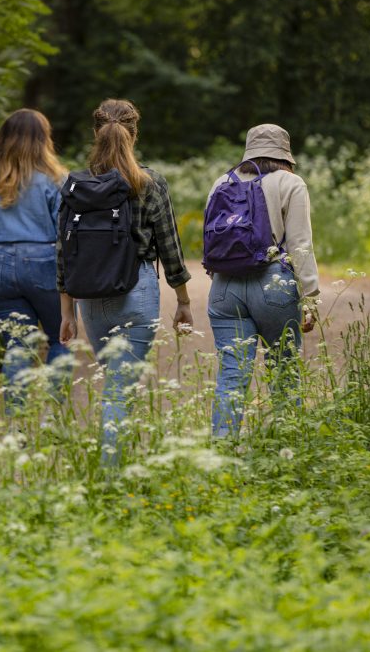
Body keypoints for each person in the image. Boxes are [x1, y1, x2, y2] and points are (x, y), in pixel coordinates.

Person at [57, 99, 193, 465]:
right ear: (134, 134)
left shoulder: (75, 187)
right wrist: (183, 301)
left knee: (114, 384)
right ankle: (111, 474)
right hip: (137, 290)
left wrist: (66, 310)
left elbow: (64, 251)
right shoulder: (149, 183)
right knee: (121, 389)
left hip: (90, 299)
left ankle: (115, 463)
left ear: (95, 133)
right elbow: (169, 245)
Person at [206, 123, 320, 438]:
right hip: (273, 283)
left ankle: (221, 452)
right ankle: (287, 449)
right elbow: (300, 245)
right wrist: (310, 297)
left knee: (231, 375)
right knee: (283, 372)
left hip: (224, 286)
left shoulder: (222, 181)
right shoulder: (291, 183)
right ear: (284, 154)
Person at [0, 109, 69, 407]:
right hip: (44, 262)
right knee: (60, 337)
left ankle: (17, 425)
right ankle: (55, 418)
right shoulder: (54, 181)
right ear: (43, 140)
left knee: (17, 346)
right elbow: (65, 234)